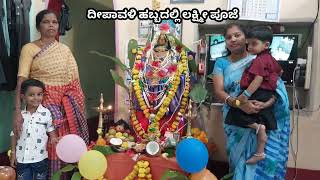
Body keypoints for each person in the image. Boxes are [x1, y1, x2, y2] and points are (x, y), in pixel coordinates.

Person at [13, 10, 89, 179]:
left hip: (67, 104)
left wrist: (70, 100)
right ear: (38, 26)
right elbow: (21, 81)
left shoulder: (64, 50)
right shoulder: (29, 48)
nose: (51, 25)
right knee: (44, 144)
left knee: (65, 143)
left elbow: (74, 80)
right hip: (41, 102)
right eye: (46, 22)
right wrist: (17, 112)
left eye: (54, 22)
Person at [212, 23, 290, 179]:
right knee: (240, 160)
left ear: (246, 38)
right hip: (236, 119)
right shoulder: (221, 63)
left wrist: (268, 102)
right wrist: (240, 104)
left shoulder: (260, 59)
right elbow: (219, 91)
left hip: (262, 114)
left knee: (262, 160)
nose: (233, 39)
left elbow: (277, 85)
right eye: (228, 37)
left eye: (237, 35)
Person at [224, 26, 283, 164]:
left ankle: (257, 128)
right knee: (261, 119)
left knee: (234, 112)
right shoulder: (270, 59)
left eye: (254, 44)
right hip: (267, 95)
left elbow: (258, 78)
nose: (250, 47)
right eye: (248, 44)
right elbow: (279, 73)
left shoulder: (259, 60)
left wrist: (244, 96)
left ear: (266, 45)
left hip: (256, 94)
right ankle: (260, 152)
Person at [10, 79, 59, 180]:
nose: (36, 98)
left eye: (39, 94)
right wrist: (13, 154)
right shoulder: (20, 116)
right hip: (22, 159)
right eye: (32, 95)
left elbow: (50, 129)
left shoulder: (46, 113)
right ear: (23, 96)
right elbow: (14, 135)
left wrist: (54, 138)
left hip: (40, 159)